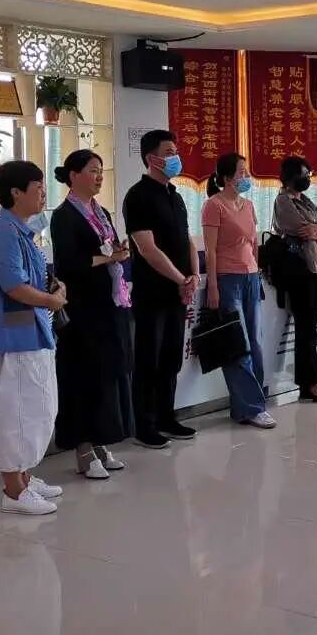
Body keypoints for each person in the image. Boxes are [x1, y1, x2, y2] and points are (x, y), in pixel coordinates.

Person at [0, 160, 66, 516]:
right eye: (37, 187)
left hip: (30, 333)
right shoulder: (5, 233)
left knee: (36, 410)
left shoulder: (21, 231)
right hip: (13, 339)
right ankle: (13, 490)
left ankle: (25, 477)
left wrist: (51, 292)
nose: (44, 193)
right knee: (17, 413)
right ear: (16, 192)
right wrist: (51, 300)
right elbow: (13, 285)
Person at [50, 149, 133, 479]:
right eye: (92, 170)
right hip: (82, 308)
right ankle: (83, 448)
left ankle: (101, 441)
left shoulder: (101, 211)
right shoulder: (63, 216)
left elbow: (109, 248)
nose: (99, 176)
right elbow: (69, 263)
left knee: (106, 376)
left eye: (101, 170)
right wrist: (110, 258)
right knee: (83, 377)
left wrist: (119, 252)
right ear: (73, 175)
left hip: (108, 304)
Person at [123, 130, 199, 448]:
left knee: (171, 358)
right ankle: (145, 424)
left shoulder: (176, 196)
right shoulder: (138, 196)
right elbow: (147, 249)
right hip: (153, 291)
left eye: (175, 151)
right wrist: (180, 279)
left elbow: (187, 239)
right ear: (151, 158)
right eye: (169, 152)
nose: (175, 157)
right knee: (149, 359)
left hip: (178, 292)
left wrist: (193, 276)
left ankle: (167, 416)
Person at [202, 153, 275, 428]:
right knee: (238, 344)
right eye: (241, 172)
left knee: (255, 341)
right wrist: (213, 286)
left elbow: (253, 243)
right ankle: (252, 408)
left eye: (246, 171)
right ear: (227, 178)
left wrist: (257, 273)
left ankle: (249, 404)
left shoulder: (249, 205)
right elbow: (210, 250)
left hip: (250, 277)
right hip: (227, 278)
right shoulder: (213, 205)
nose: (246, 177)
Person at [273, 155, 317, 403]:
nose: (308, 178)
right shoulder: (283, 201)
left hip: (315, 267)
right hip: (299, 270)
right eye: (304, 174)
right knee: (305, 328)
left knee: (311, 328)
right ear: (290, 177)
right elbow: (302, 228)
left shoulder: (305, 200)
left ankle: (310, 381)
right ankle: (310, 383)